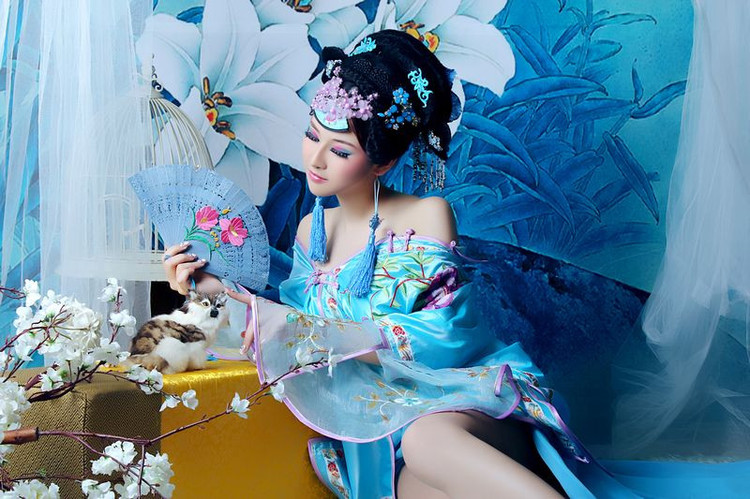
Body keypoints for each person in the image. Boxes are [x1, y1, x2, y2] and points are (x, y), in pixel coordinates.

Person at [161, 29, 747, 499]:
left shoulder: (426, 215)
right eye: (311, 137)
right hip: (378, 434)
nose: (314, 160)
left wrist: (324, 334)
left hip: (461, 402)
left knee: (427, 443)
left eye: (339, 150)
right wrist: (208, 287)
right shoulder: (312, 231)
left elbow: (444, 339)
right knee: (416, 484)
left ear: (381, 163)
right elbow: (289, 338)